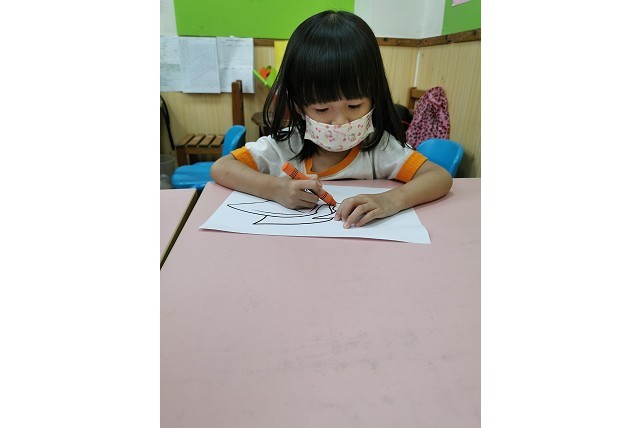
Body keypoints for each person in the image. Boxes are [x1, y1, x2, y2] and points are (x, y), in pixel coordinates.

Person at [211, 10, 452, 228]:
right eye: (322, 109)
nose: (340, 122)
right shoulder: (285, 147)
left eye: (354, 105)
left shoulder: (380, 148)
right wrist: (276, 189)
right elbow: (222, 168)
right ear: (299, 106)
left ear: (374, 98)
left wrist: (391, 200)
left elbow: (439, 177)